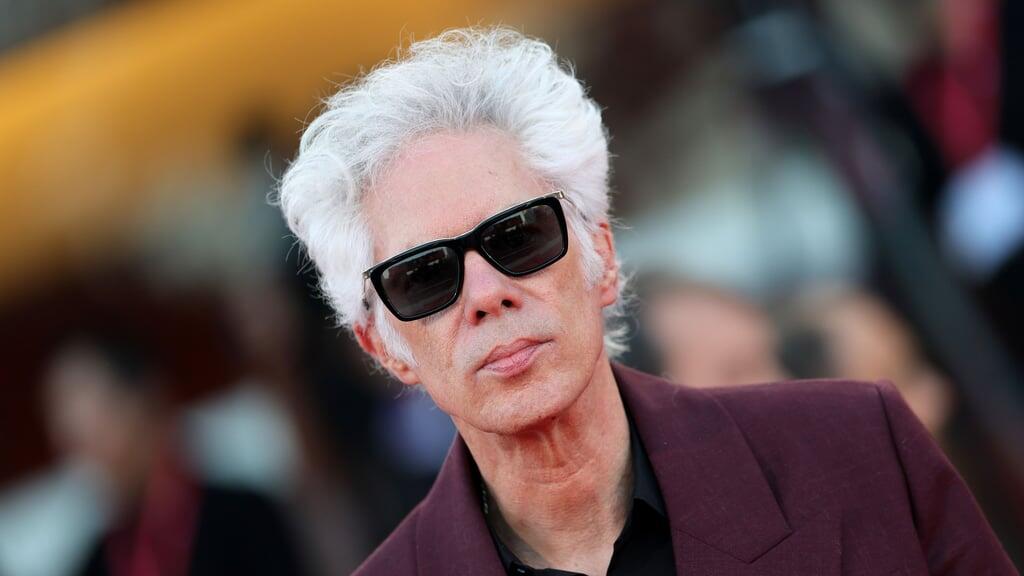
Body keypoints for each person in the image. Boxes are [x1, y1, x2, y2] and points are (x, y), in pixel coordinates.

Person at [276, 27, 1016, 575]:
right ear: (384, 347)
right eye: (424, 278)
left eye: (520, 237)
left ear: (602, 258)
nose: (486, 294)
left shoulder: (858, 449)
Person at [44, 331, 307, 576]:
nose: (71, 429)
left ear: (146, 401)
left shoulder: (242, 518)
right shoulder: (97, 563)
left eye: (98, 424)